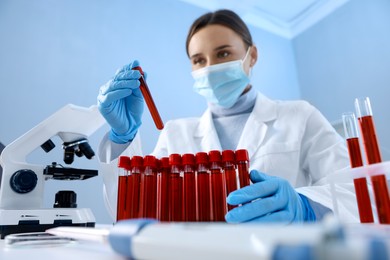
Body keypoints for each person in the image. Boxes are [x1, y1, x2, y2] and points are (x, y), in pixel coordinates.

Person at [97, 9, 357, 223]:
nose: (210, 68)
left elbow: (356, 191)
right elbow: (130, 212)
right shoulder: (175, 133)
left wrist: (305, 207)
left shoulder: (299, 115)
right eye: (198, 60)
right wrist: (123, 138)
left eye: (223, 53)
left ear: (251, 55)